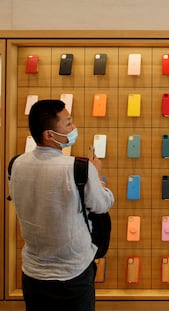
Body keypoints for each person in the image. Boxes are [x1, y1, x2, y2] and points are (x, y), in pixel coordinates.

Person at [8, 99, 115, 311]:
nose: (73, 128)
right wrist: (98, 176)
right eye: (68, 124)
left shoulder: (16, 163)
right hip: (72, 271)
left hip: (33, 271)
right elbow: (101, 204)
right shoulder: (78, 167)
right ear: (49, 134)